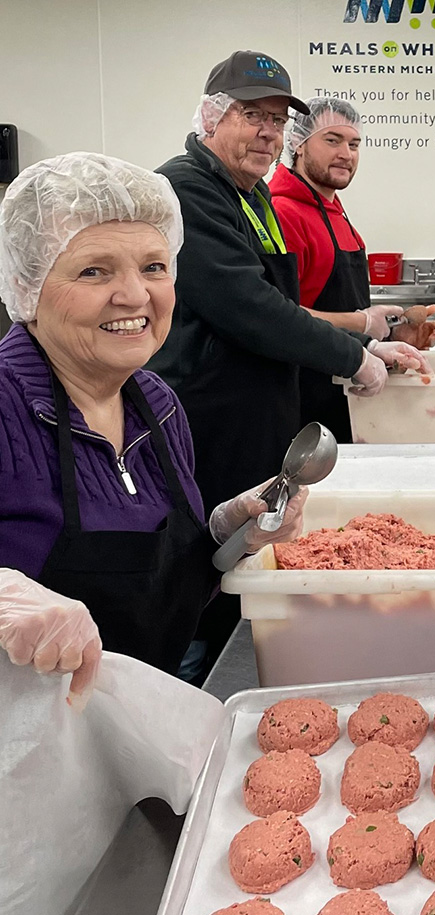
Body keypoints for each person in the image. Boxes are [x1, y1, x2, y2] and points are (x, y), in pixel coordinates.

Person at [0, 152, 306, 693]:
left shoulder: (155, 403)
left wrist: (222, 537)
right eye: (94, 270)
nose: (135, 295)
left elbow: (158, 593)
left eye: (154, 267)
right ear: (28, 287)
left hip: (139, 723)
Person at [147, 50, 429, 513]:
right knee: (214, 561)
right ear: (212, 116)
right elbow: (249, 307)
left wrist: (368, 343)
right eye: (252, 114)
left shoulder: (252, 194)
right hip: (207, 424)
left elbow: (283, 303)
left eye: (277, 120)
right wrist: (353, 354)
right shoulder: (187, 187)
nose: (267, 132)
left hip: (256, 418)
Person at [269, 97, 435, 439]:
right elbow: (277, 318)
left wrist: (392, 336)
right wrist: (363, 326)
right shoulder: (283, 213)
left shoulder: (334, 212)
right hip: (305, 404)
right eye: (332, 141)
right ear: (297, 144)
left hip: (348, 389)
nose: (346, 154)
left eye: (354, 144)